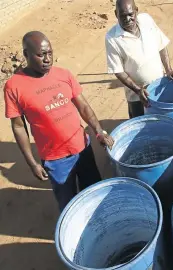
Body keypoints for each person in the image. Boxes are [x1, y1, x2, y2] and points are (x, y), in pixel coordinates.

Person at [4, 31, 114, 211]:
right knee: (68, 203)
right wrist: (32, 163)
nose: (47, 59)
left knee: (94, 192)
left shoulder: (64, 74)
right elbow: (18, 127)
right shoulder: (14, 87)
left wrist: (99, 131)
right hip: (55, 160)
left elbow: (84, 107)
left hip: (82, 148)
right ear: (26, 54)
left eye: (50, 53)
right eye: (41, 55)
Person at [105, 0, 173, 118]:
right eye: (122, 16)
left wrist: (168, 70)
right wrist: (138, 90)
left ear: (136, 11)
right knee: (141, 125)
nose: (127, 19)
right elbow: (118, 71)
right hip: (137, 96)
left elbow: (161, 44)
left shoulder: (146, 20)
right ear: (115, 14)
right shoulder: (112, 38)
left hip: (159, 88)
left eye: (130, 14)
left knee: (162, 122)